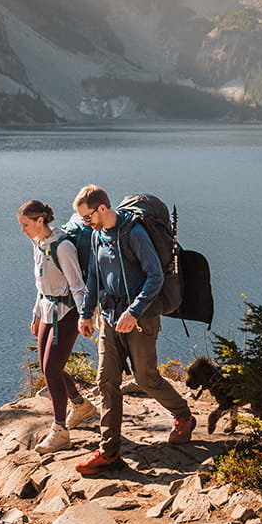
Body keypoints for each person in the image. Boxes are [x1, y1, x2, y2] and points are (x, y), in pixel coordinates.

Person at [72, 185, 195, 475]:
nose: (85, 223)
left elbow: (154, 276)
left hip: (141, 317)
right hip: (110, 316)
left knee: (146, 378)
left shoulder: (134, 233)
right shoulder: (96, 235)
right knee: (106, 380)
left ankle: (183, 415)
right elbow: (94, 277)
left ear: (102, 208)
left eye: (87, 217)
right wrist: (85, 313)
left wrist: (134, 312)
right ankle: (109, 451)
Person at [18, 199, 98, 452]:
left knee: (52, 369)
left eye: (26, 224)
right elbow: (41, 285)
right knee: (47, 367)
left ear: (40, 221)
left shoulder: (62, 247)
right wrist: (36, 314)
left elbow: (77, 285)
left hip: (67, 313)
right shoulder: (38, 243)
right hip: (47, 310)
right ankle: (81, 406)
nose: (23, 230)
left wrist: (86, 317)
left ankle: (60, 430)